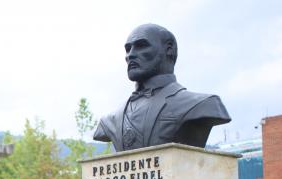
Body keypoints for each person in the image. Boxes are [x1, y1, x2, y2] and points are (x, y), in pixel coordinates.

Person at [94, 23, 230, 151]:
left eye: (141, 46)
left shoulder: (202, 104)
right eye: (128, 49)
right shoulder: (110, 120)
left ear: (169, 50)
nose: (130, 55)